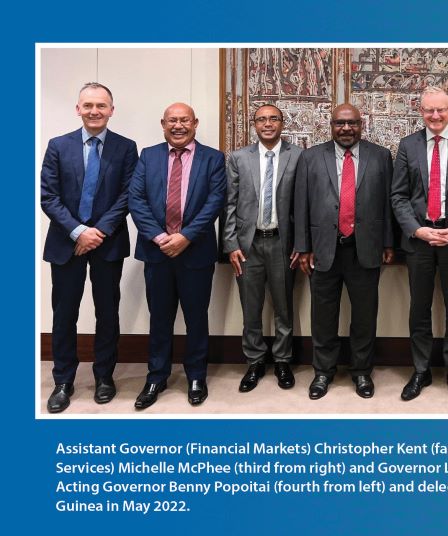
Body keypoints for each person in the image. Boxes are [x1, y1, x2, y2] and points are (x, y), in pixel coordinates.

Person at [41, 82, 138, 413]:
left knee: (107, 312)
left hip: (107, 243)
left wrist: (98, 232)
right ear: (77, 109)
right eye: (88, 105)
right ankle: (63, 381)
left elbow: (128, 195)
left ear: (112, 110)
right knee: (64, 314)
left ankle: (104, 378)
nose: (94, 111)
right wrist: (79, 231)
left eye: (101, 105)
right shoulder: (58, 146)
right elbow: (49, 197)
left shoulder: (126, 148)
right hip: (66, 243)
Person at [128, 103, 226, 409]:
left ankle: (196, 375)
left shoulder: (213, 158)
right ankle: (156, 376)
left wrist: (185, 237)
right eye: (173, 120)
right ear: (163, 123)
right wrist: (160, 237)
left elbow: (215, 201)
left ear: (195, 123)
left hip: (195, 251)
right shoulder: (149, 155)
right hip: (157, 251)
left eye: (185, 120)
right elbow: (136, 199)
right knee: (160, 317)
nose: (179, 125)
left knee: (197, 317)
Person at [294, 104, 394, 400]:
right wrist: (303, 248)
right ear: (331, 125)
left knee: (364, 315)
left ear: (361, 125)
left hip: (366, 249)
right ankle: (323, 372)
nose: (346, 129)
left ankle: (361, 371)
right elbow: (301, 205)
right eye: (340, 123)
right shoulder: (311, 157)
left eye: (352, 123)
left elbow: (388, 204)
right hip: (324, 249)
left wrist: (388, 242)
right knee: (323, 315)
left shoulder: (380, 156)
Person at [391, 86, 448, 405]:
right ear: (421, 111)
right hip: (419, 241)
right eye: (429, 110)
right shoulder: (407, 145)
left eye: (440, 109)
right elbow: (399, 196)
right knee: (419, 309)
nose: (435, 115)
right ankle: (421, 369)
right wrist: (417, 231)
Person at [223, 105, 303, 393]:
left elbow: (303, 205)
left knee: (283, 307)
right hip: (248, 244)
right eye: (261, 119)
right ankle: (255, 361)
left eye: (273, 119)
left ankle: (283, 359)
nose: (267, 124)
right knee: (251, 307)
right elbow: (229, 203)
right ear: (254, 125)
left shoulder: (298, 156)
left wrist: (301, 244)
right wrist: (230, 244)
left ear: (282, 123)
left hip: (284, 242)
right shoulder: (238, 158)